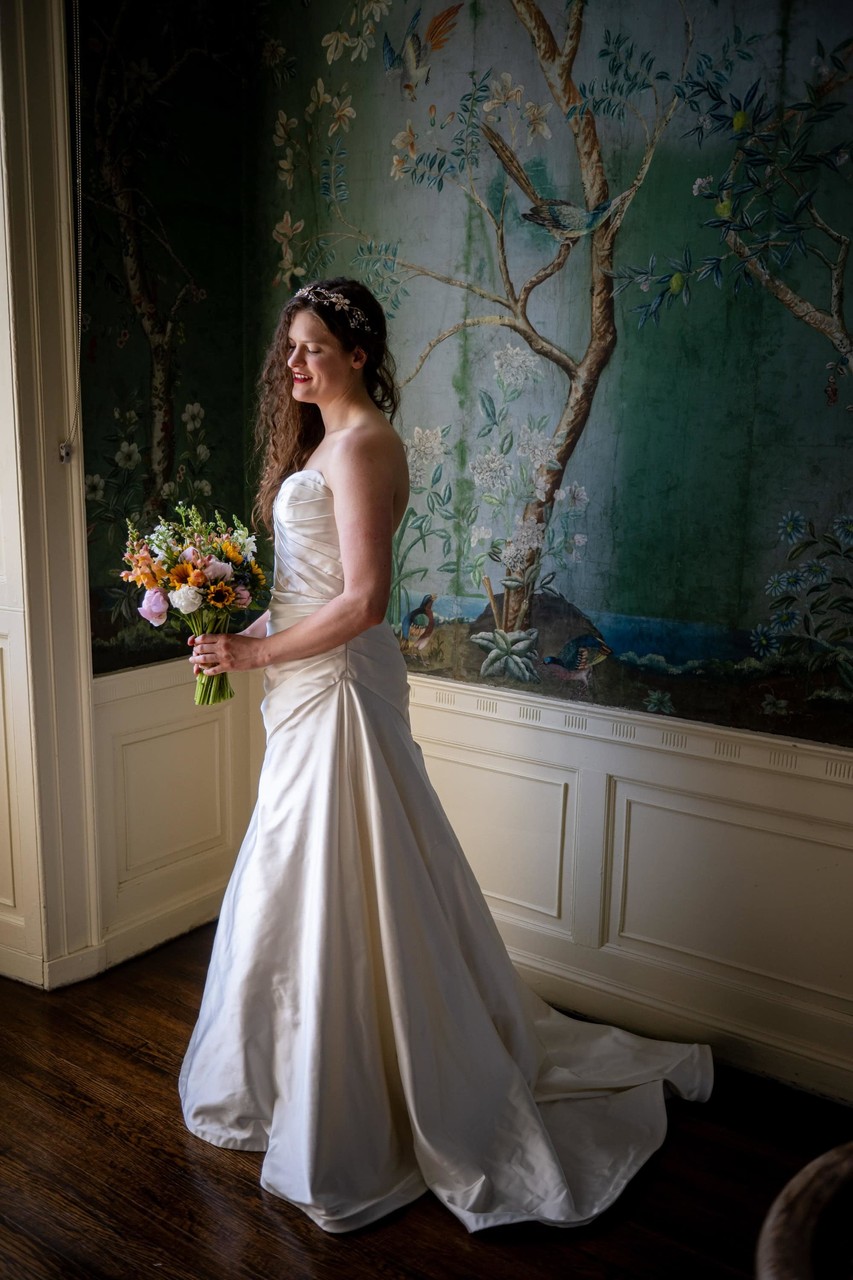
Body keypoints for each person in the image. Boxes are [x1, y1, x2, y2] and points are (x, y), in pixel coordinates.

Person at [179, 278, 713, 1235]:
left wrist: (256, 649)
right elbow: (313, 591)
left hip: (340, 689)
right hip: (305, 687)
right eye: (288, 349)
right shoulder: (323, 445)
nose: (291, 365)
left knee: (341, 865)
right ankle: (286, 1074)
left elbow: (365, 601)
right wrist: (233, 626)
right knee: (293, 869)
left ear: (355, 349)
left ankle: (370, 1092)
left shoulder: (365, 444)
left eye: (308, 347)